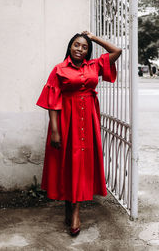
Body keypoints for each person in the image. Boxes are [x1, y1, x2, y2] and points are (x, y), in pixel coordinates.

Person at [36, 31, 122, 236]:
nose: (80, 49)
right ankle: (73, 209)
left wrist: (93, 38)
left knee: (82, 164)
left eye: (84, 47)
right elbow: (52, 102)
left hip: (88, 120)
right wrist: (55, 131)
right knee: (68, 162)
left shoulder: (94, 66)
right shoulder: (59, 69)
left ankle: (72, 208)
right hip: (67, 120)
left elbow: (117, 51)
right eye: (77, 45)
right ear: (70, 46)